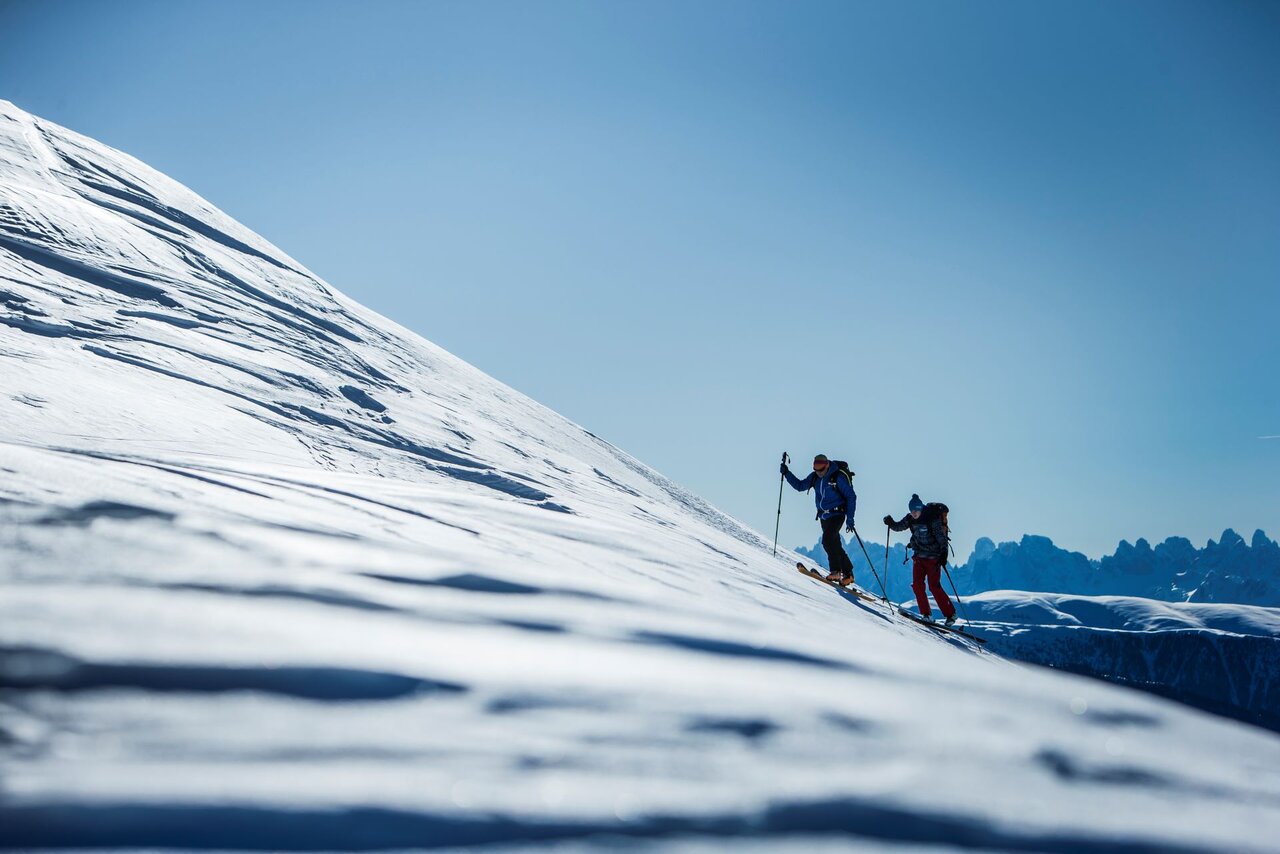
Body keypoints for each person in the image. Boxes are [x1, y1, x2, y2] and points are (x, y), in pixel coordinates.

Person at [782, 454, 857, 585]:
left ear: (827, 465)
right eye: (816, 469)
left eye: (821, 469)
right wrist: (787, 473)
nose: (819, 472)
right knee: (835, 545)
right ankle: (848, 574)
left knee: (827, 541)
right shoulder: (815, 477)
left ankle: (836, 572)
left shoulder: (837, 477)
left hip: (837, 514)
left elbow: (851, 496)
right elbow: (800, 486)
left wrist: (850, 517)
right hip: (824, 516)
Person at [884, 494, 956, 626]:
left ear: (920, 508)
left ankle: (950, 615)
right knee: (917, 586)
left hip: (933, 558)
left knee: (934, 586)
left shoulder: (931, 518)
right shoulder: (910, 518)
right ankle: (926, 615)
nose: (914, 513)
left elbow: (941, 537)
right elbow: (899, 526)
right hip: (919, 557)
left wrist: (944, 553)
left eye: (916, 510)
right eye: (911, 510)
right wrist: (891, 523)